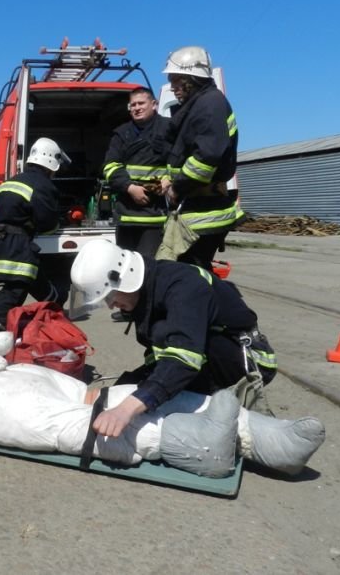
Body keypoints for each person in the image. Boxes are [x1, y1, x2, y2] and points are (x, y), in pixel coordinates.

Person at [0, 333, 324, 477]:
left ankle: (264, 436)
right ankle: (198, 446)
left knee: (114, 399)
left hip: (21, 390)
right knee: (90, 427)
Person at [69, 239, 276, 439]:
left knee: (151, 397)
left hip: (246, 361)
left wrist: (126, 409)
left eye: (109, 296)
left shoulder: (183, 288)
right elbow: (158, 354)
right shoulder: (147, 289)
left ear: (124, 279)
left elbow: (183, 359)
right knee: (129, 388)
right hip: (211, 354)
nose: (111, 306)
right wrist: (129, 387)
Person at [162, 46, 245, 269]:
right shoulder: (200, 105)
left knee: (192, 275)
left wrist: (177, 188)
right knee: (188, 272)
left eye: (176, 80)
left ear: (192, 78)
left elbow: (205, 159)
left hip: (204, 209)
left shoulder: (210, 104)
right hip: (196, 204)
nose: (172, 87)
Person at [0, 137, 71, 334]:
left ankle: (57, 317)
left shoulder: (10, 182)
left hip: (0, 242)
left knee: (42, 289)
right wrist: (60, 222)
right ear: (51, 163)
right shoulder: (44, 186)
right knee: (15, 291)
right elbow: (47, 224)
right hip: (18, 245)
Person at [102, 87, 172, 259]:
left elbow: (180, 159)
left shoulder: (169, 128)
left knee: (147, 265)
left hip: (155, 216)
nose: (136, 108)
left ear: (154, 104)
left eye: (141, 103)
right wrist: (130, 188)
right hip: (126, 215)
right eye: (132, 105)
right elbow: (110, 166)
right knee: (125, 265)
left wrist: (169, 179)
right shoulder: (121, 133)